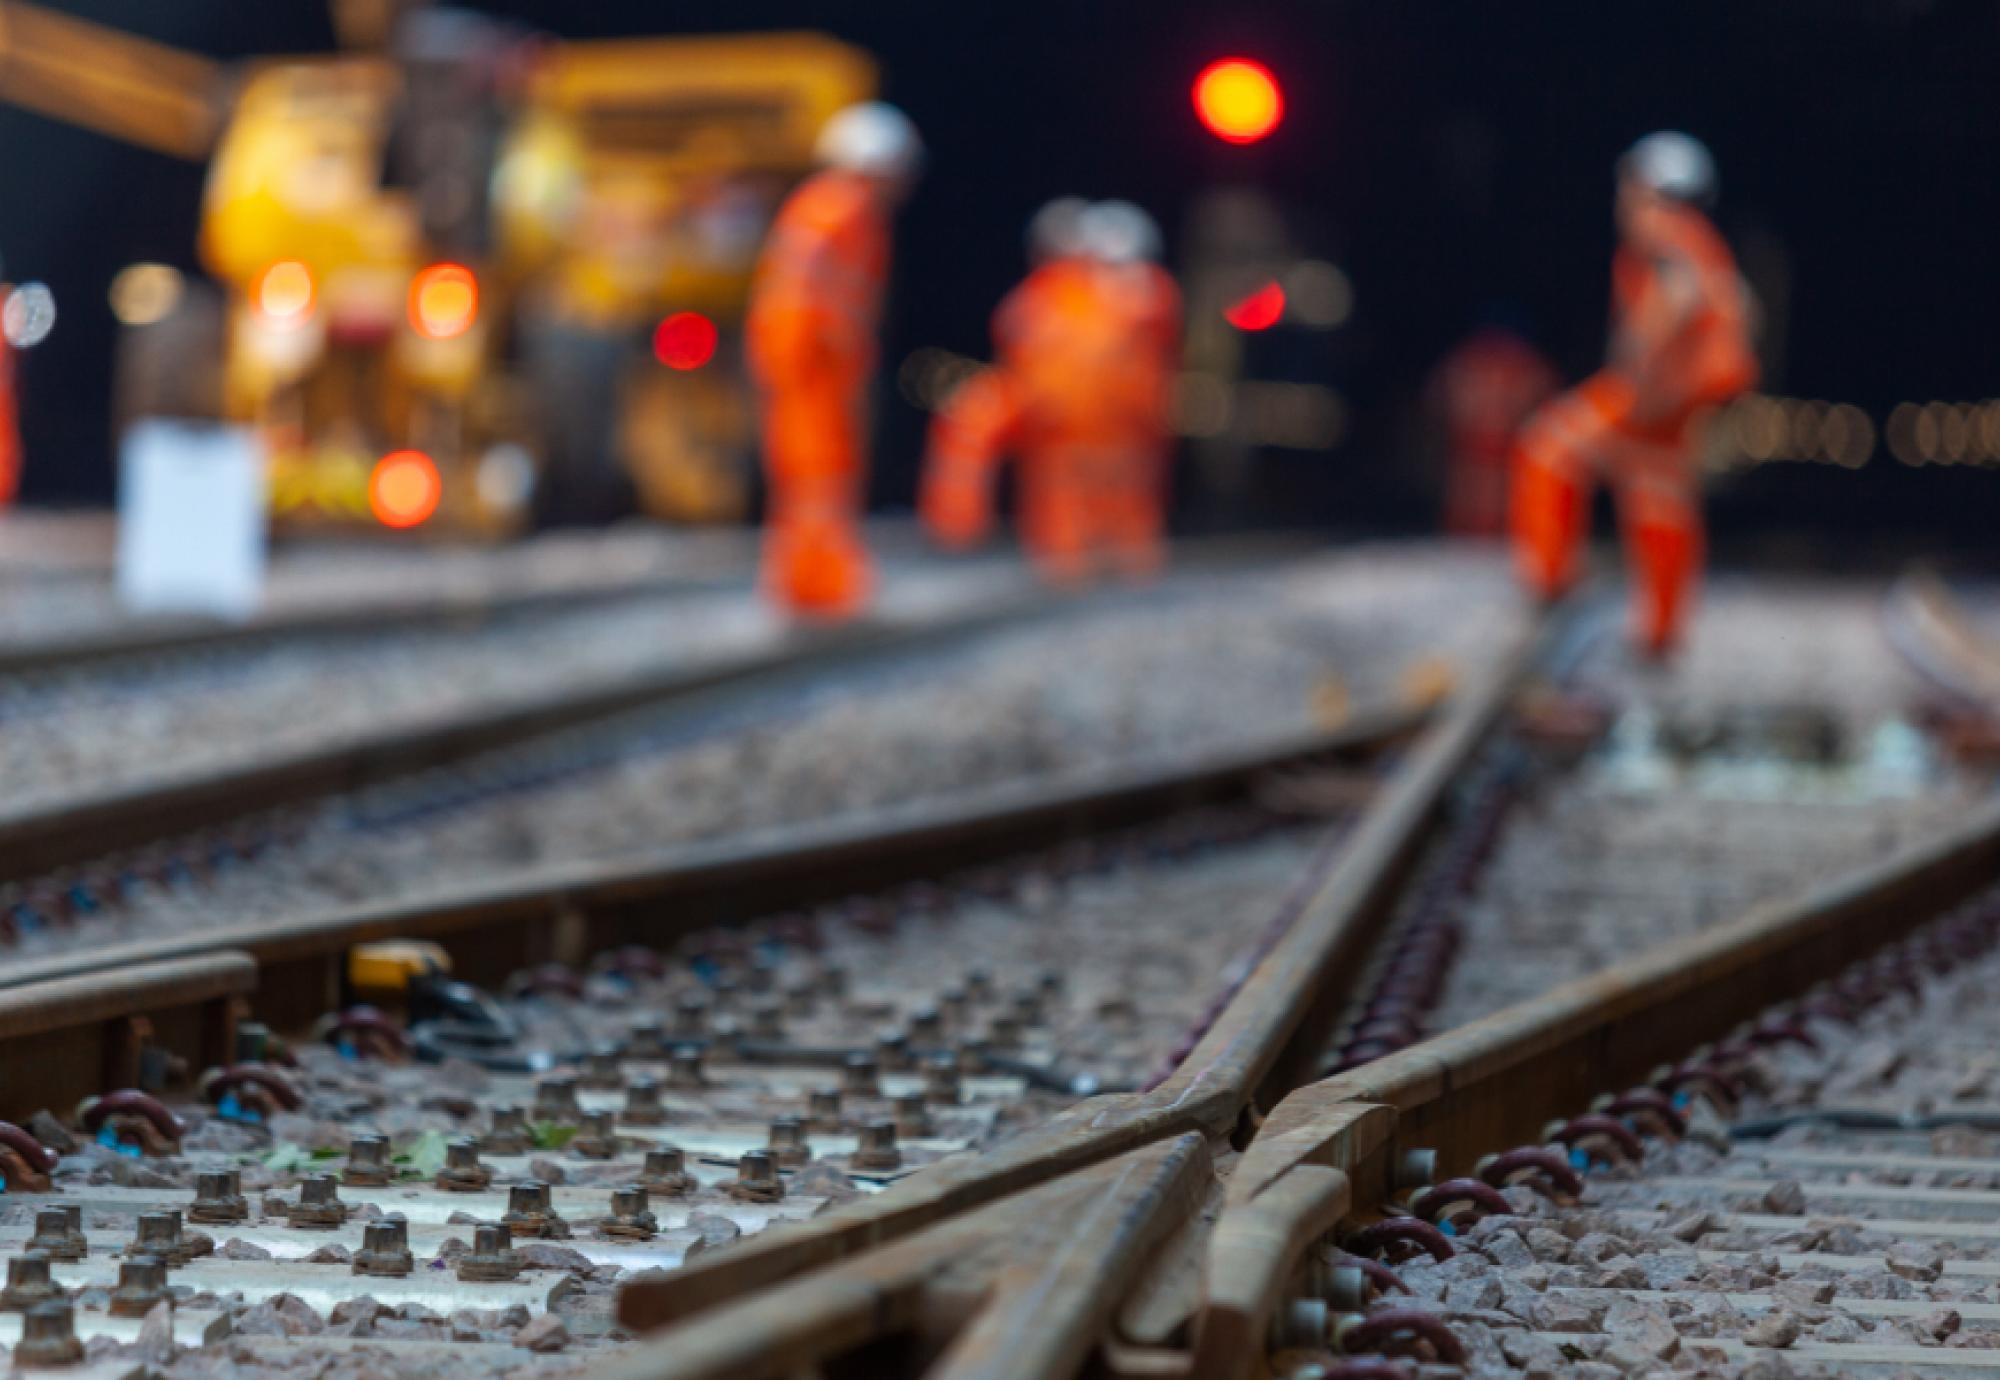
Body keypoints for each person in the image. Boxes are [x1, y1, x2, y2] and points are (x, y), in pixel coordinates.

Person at [1509, 131, 1757, 657]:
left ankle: (1551, 581)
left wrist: (1639, 350)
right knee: (1659, 500)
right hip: (1676, 405)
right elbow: (1740, 311)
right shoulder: (1707, 243)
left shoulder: (1665, 230)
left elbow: (1680, 294)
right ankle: (1661, 633)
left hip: (1649, 396)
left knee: (1549, 448)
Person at [921, 199, 1180, 583]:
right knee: (1076, 503)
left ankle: (1108, 564)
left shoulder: (1126, 294)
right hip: (1069, 419)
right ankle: (967, 532)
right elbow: (1017, 335)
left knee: (1111, 502)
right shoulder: (1067, 293)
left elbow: (1014, 331)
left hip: (1106, 421)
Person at [745, 102, 922, 617]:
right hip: (812, 367)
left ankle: (808, 582)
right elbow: (811, 297)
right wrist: (829, 358)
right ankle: (820, 585)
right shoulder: (838, 210)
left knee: (811, 478)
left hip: (811, 364)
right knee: (820, 475)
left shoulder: (832, 209)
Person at [1430, 322, 1556, 538]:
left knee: (1496, 491)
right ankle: (1472, 534)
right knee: (1473, 492)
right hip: (1477, 442)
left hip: (1497, 442)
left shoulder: (1470, 360)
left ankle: (1490, 532)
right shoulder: (1521, 361)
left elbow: (1438, 396)